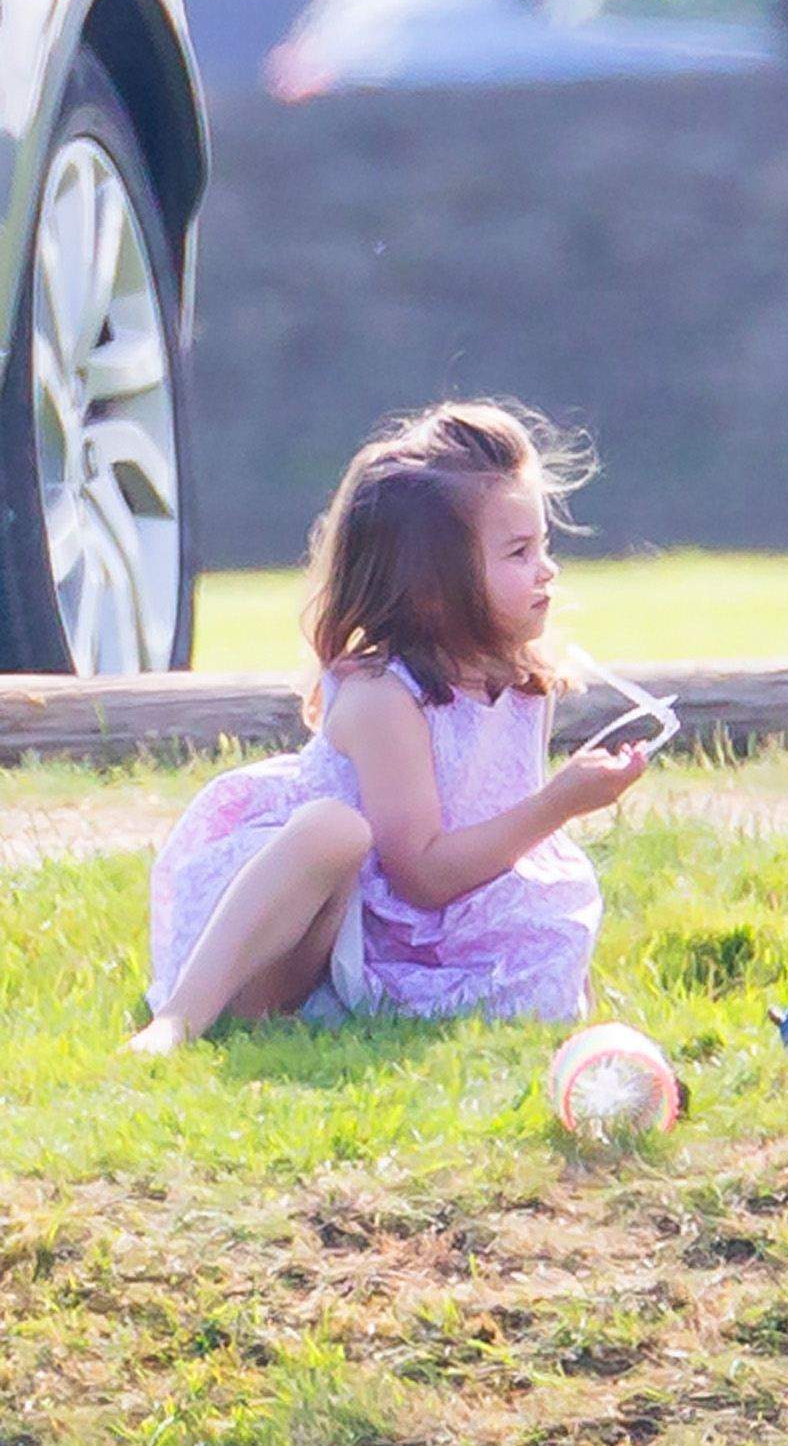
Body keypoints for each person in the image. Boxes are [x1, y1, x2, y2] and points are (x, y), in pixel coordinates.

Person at [132, 401, 637, 1051]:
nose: (548, 569)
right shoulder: (385, 698)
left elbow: (487, 849)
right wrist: (558, 805)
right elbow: (421, 874)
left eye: (542, 545)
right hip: (296, 930)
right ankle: (179, 1018)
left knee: (541, 902)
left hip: (390, 938)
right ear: (432, 588)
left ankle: (322, 1013)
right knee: (334, 829)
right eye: (518, 552)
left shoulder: (519, 684)